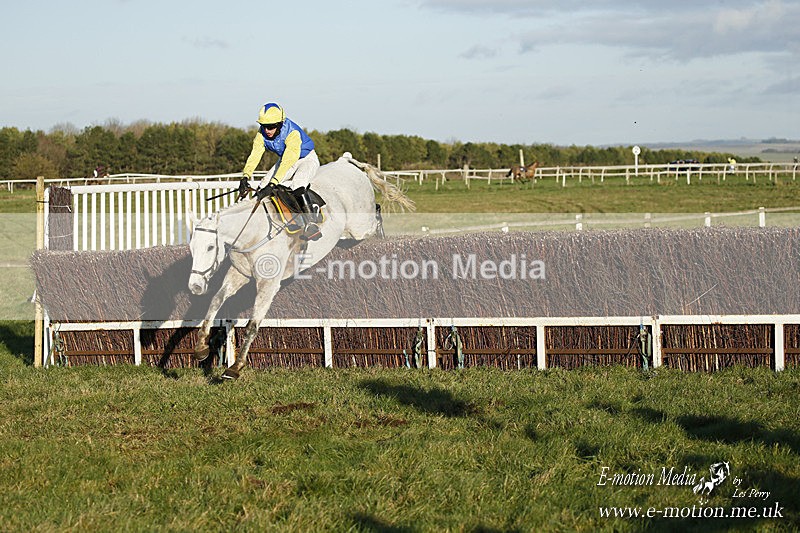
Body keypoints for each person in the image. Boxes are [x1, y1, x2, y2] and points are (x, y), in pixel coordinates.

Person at [238, 102, 322, 240]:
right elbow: (255, 155)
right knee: (263, 185)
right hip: (286, 160)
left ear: (280, 123)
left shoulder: (292, 133)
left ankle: (311, 223)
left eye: (271, 127)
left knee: (298, 183)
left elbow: (287, 162)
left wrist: (273, 184)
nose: (267, 131)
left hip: (306, 159)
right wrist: (245, 176)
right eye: (264, 126)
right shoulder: (261, 134)